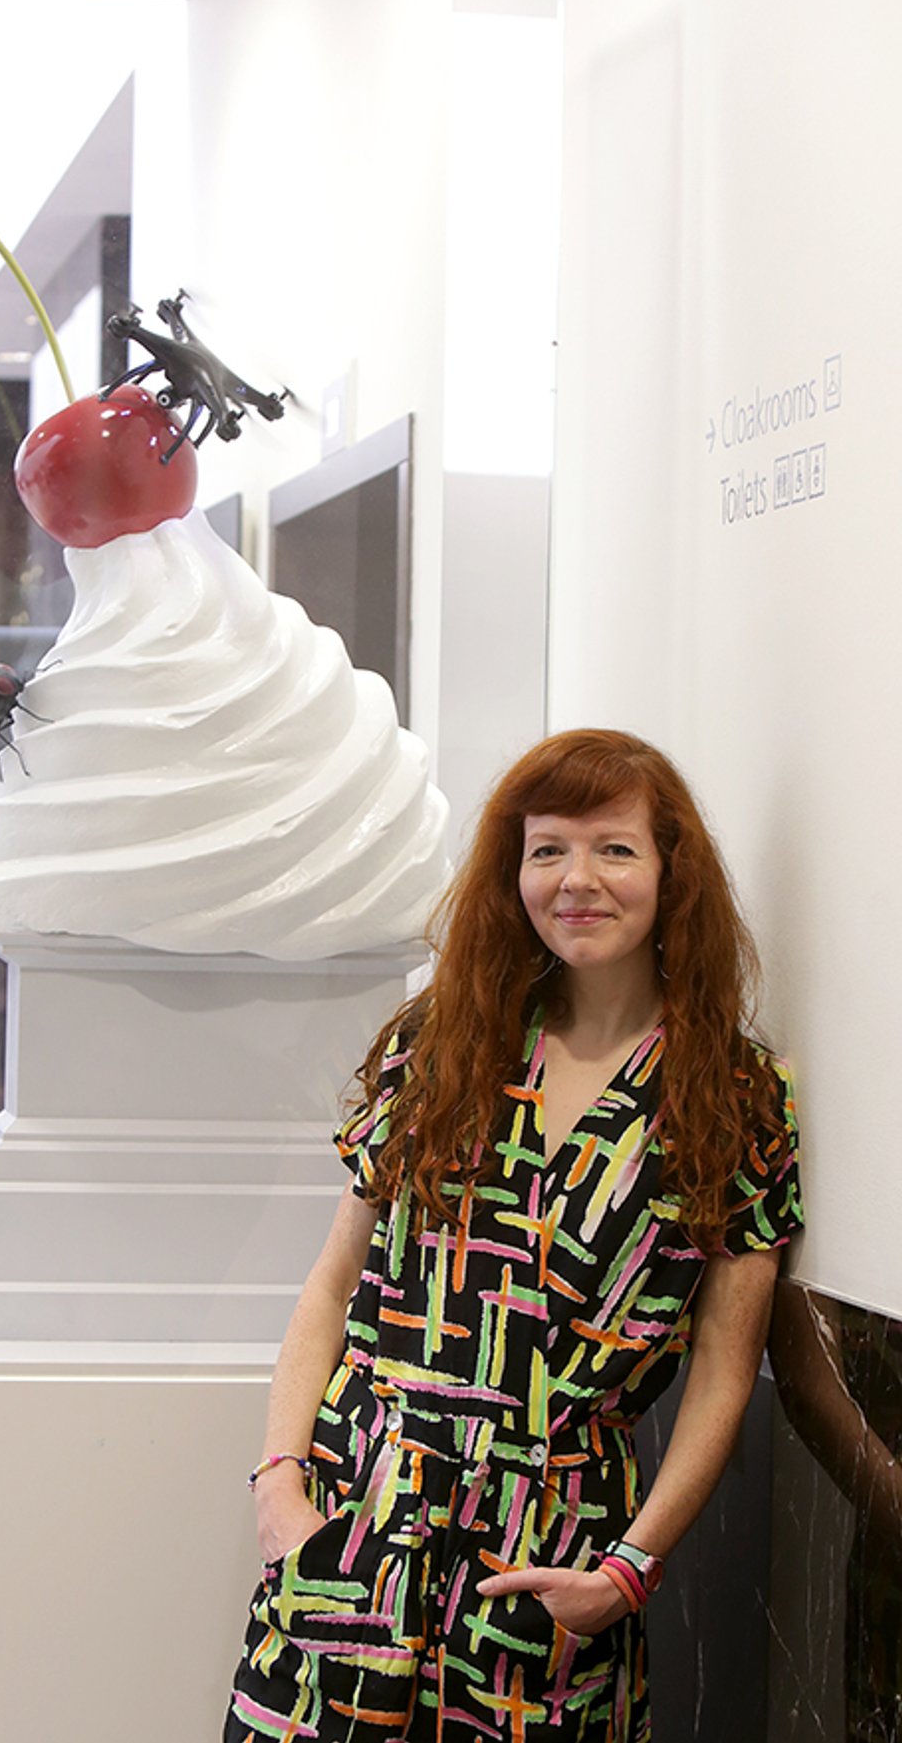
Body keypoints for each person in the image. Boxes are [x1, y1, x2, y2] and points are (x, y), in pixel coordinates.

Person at [224, 728, 804, 1743]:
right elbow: (332, 1285)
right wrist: (280, 1486)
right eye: (548, 850)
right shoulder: (441, 1045)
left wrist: (629, 1569)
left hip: (549, 1560)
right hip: (361, 1524)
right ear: (514, 873)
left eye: (614, 848)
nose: (578, 879)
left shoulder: (735, 1098)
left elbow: (724, 1364)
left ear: (671, 872)